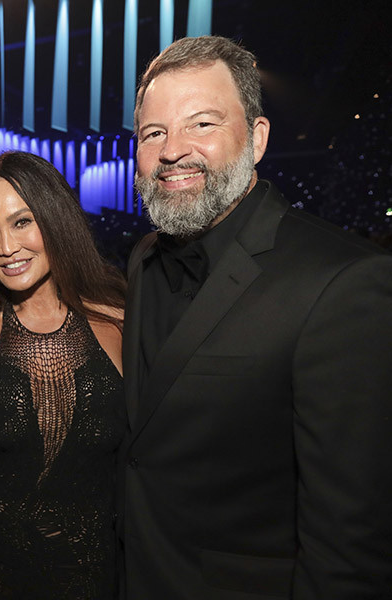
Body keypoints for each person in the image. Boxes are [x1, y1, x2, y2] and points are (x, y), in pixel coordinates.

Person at [122, 35, 392, 599]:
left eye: (202, 124)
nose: (173, 150)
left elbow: (350, 544)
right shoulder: (144, 259)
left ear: (258, 137)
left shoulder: (343, 282)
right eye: (154, 133)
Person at [0, 151, 126, 598]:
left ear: (55, 218)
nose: (5, 247)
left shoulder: (118, 320)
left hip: (94, 560)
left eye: (22, 222)